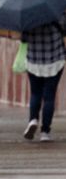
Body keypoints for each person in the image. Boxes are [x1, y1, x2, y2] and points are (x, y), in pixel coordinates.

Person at [21, 12, 66, 142]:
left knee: (35, 93)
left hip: (34, 60)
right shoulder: (57, 12)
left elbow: (24, 39)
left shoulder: (28, 15)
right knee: (49, 97)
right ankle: (45, 132)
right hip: (55, 60)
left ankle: (33, 120)